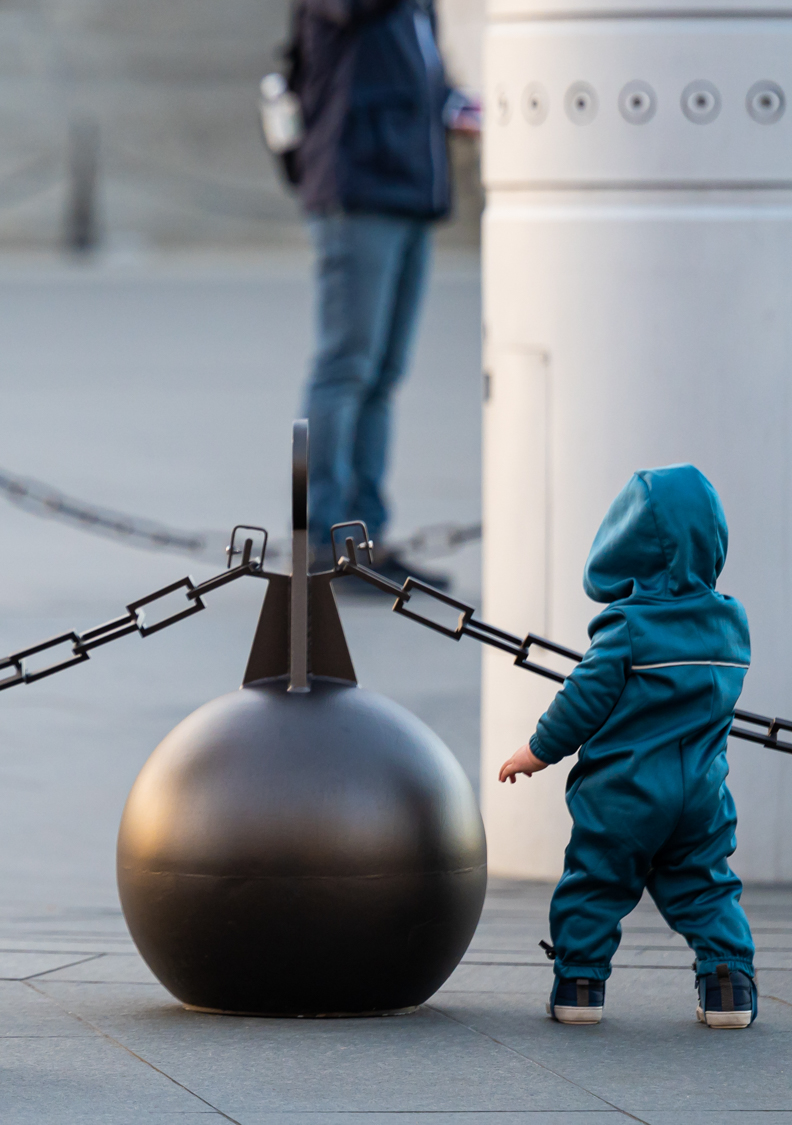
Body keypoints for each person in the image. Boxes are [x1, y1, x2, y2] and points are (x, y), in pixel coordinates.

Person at [498, 465, 758, 1030]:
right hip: (702, 798)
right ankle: (728, 988)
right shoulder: (731, 623)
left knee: (596, 881)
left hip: (626, 794)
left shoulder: (628, 626)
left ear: (630, 547)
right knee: (706, 886)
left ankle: (581, 985)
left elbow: (584, 699)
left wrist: (537, 751)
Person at [289, 0, 477, 585]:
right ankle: (321, 538)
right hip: (358, 189)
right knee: (345, 367)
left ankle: (362, 536)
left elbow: (423, 83)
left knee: (383, 373)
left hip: (409, 193)